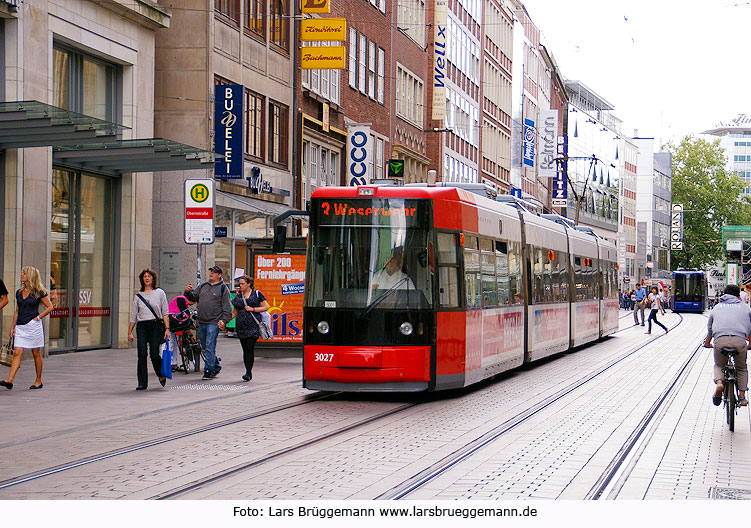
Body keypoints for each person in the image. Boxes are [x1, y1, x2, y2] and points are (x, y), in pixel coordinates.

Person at [1, 267, 54, 390]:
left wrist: (38, 318)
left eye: (23, 274)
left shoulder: (39, 291)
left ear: (29, 276)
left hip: (33, 326)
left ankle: (38, 380)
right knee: (17, 352)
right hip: (20, 326)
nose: (21, 275)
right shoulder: (19, 292)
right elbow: (17, 311)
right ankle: (10, 380)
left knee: (36, 353)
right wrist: (12, 327)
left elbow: (50, 307)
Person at [703, 284, 749, 407]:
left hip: (720, 340)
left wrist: (708, 343)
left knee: (719, 365)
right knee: (741, 368)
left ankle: (719, 383)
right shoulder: (746, 308)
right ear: (738, 295)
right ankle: (742, 396)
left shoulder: (716, 308)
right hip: (740, 341)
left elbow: (710, 329)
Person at [184, 265, 232, 380]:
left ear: (219, 275)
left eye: (214, 272)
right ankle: (216, 365)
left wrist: (224, 321)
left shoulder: (223, 289)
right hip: (202, 321)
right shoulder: (203, 286)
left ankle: (208, 370)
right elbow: (193, 298)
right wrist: (187, 292)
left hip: (214, 322)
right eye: (211, 272)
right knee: (205, 347)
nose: (211, 274)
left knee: (210, 346)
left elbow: (227, 307)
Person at [128, 268, 170, 390]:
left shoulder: (160, 293)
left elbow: (165, 312)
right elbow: (133, 315)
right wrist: (130, 332)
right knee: (141, 355)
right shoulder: (138, 296)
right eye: (144, 276)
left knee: (154, 355)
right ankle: (142, 382)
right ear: (142, 279)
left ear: (153, 278)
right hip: (142, 326)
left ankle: (160, 374)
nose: (147, 278)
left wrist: (167, 328)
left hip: (155, 325)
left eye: (149, 276)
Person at [225, 275, 269, 382]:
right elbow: (235, 312)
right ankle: (247, 370)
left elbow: (266, 307)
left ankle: (249, 372)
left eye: (242, 284)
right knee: (245, 349)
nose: (240, 286)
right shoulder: (239, 297)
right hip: (241, 327)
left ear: (248, 284)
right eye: (239, 284)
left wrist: (253, 309)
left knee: (249, 348)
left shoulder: (257, 294)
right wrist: (225, 321)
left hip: (253, 326)